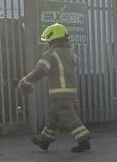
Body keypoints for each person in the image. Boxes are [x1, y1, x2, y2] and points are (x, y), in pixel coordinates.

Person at [17, 23, 91, 152]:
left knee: (69, 117)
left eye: (48, 41)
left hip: (58, 93)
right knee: (53, 117)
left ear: (53, 39)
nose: (47, 43)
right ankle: (45, 141)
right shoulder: (71, 54)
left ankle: (84, 140)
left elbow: (40, 71)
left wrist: (26, 80)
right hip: (70, 92)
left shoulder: (51, 55)